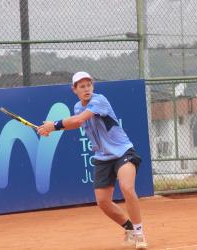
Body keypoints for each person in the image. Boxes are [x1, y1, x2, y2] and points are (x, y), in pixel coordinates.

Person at [37, 71, 148, 249]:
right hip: (102, 158)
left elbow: (80, 119)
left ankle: (140, 232)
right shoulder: (77, 107)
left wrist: (54, 125)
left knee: (127, 188)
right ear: (74, 89)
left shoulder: (99, 100)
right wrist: (52, 128)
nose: (86, 88)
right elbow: (76, 122)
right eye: (82, 86)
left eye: (89, 85)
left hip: (123, 152)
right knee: (103, 202)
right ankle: (129, 228)